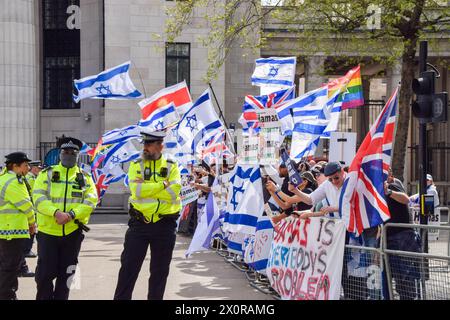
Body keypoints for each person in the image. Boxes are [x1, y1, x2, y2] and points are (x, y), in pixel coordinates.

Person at [114, 130, 182, 300]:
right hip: (139, 225)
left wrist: (149, 188)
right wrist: (162, 185)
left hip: (164, 225)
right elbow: (136, 191)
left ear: (160, 146)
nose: (145, 148)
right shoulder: (136, 164)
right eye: (144, 144)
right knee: (128, 269)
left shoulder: (172, 165)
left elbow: (174, 193)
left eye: (149, 144)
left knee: (160, 272)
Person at [32, 137, 98, 300]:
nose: (68, 155)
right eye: (65, 152)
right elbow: (38, 198)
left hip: (72, 233)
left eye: (72, 152)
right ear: (60, 154)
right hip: (48, 233)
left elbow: (91, 200)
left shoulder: (84, 177)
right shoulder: (46, 174)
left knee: (67, 274)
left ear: (77, 155)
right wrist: (56, 213)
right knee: (44, 275)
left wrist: (71, 215)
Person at [0, 152, 36, 299]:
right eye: (25, 165)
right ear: (14, 166)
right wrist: (32, 223)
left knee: (5, 266)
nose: (28, 167)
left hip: (5, 229)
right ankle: (7, 296)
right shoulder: (14, 181)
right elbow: (26, 205)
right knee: (10, 267)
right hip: (12, 231)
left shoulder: (4, 178)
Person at [384, 168, 421, 300]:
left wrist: (388, 191)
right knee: (399, 278)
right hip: (392, 237)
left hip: (402, 237)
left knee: (406, 278)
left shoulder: (393, 184)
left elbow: (406, 199)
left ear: (390, 175)